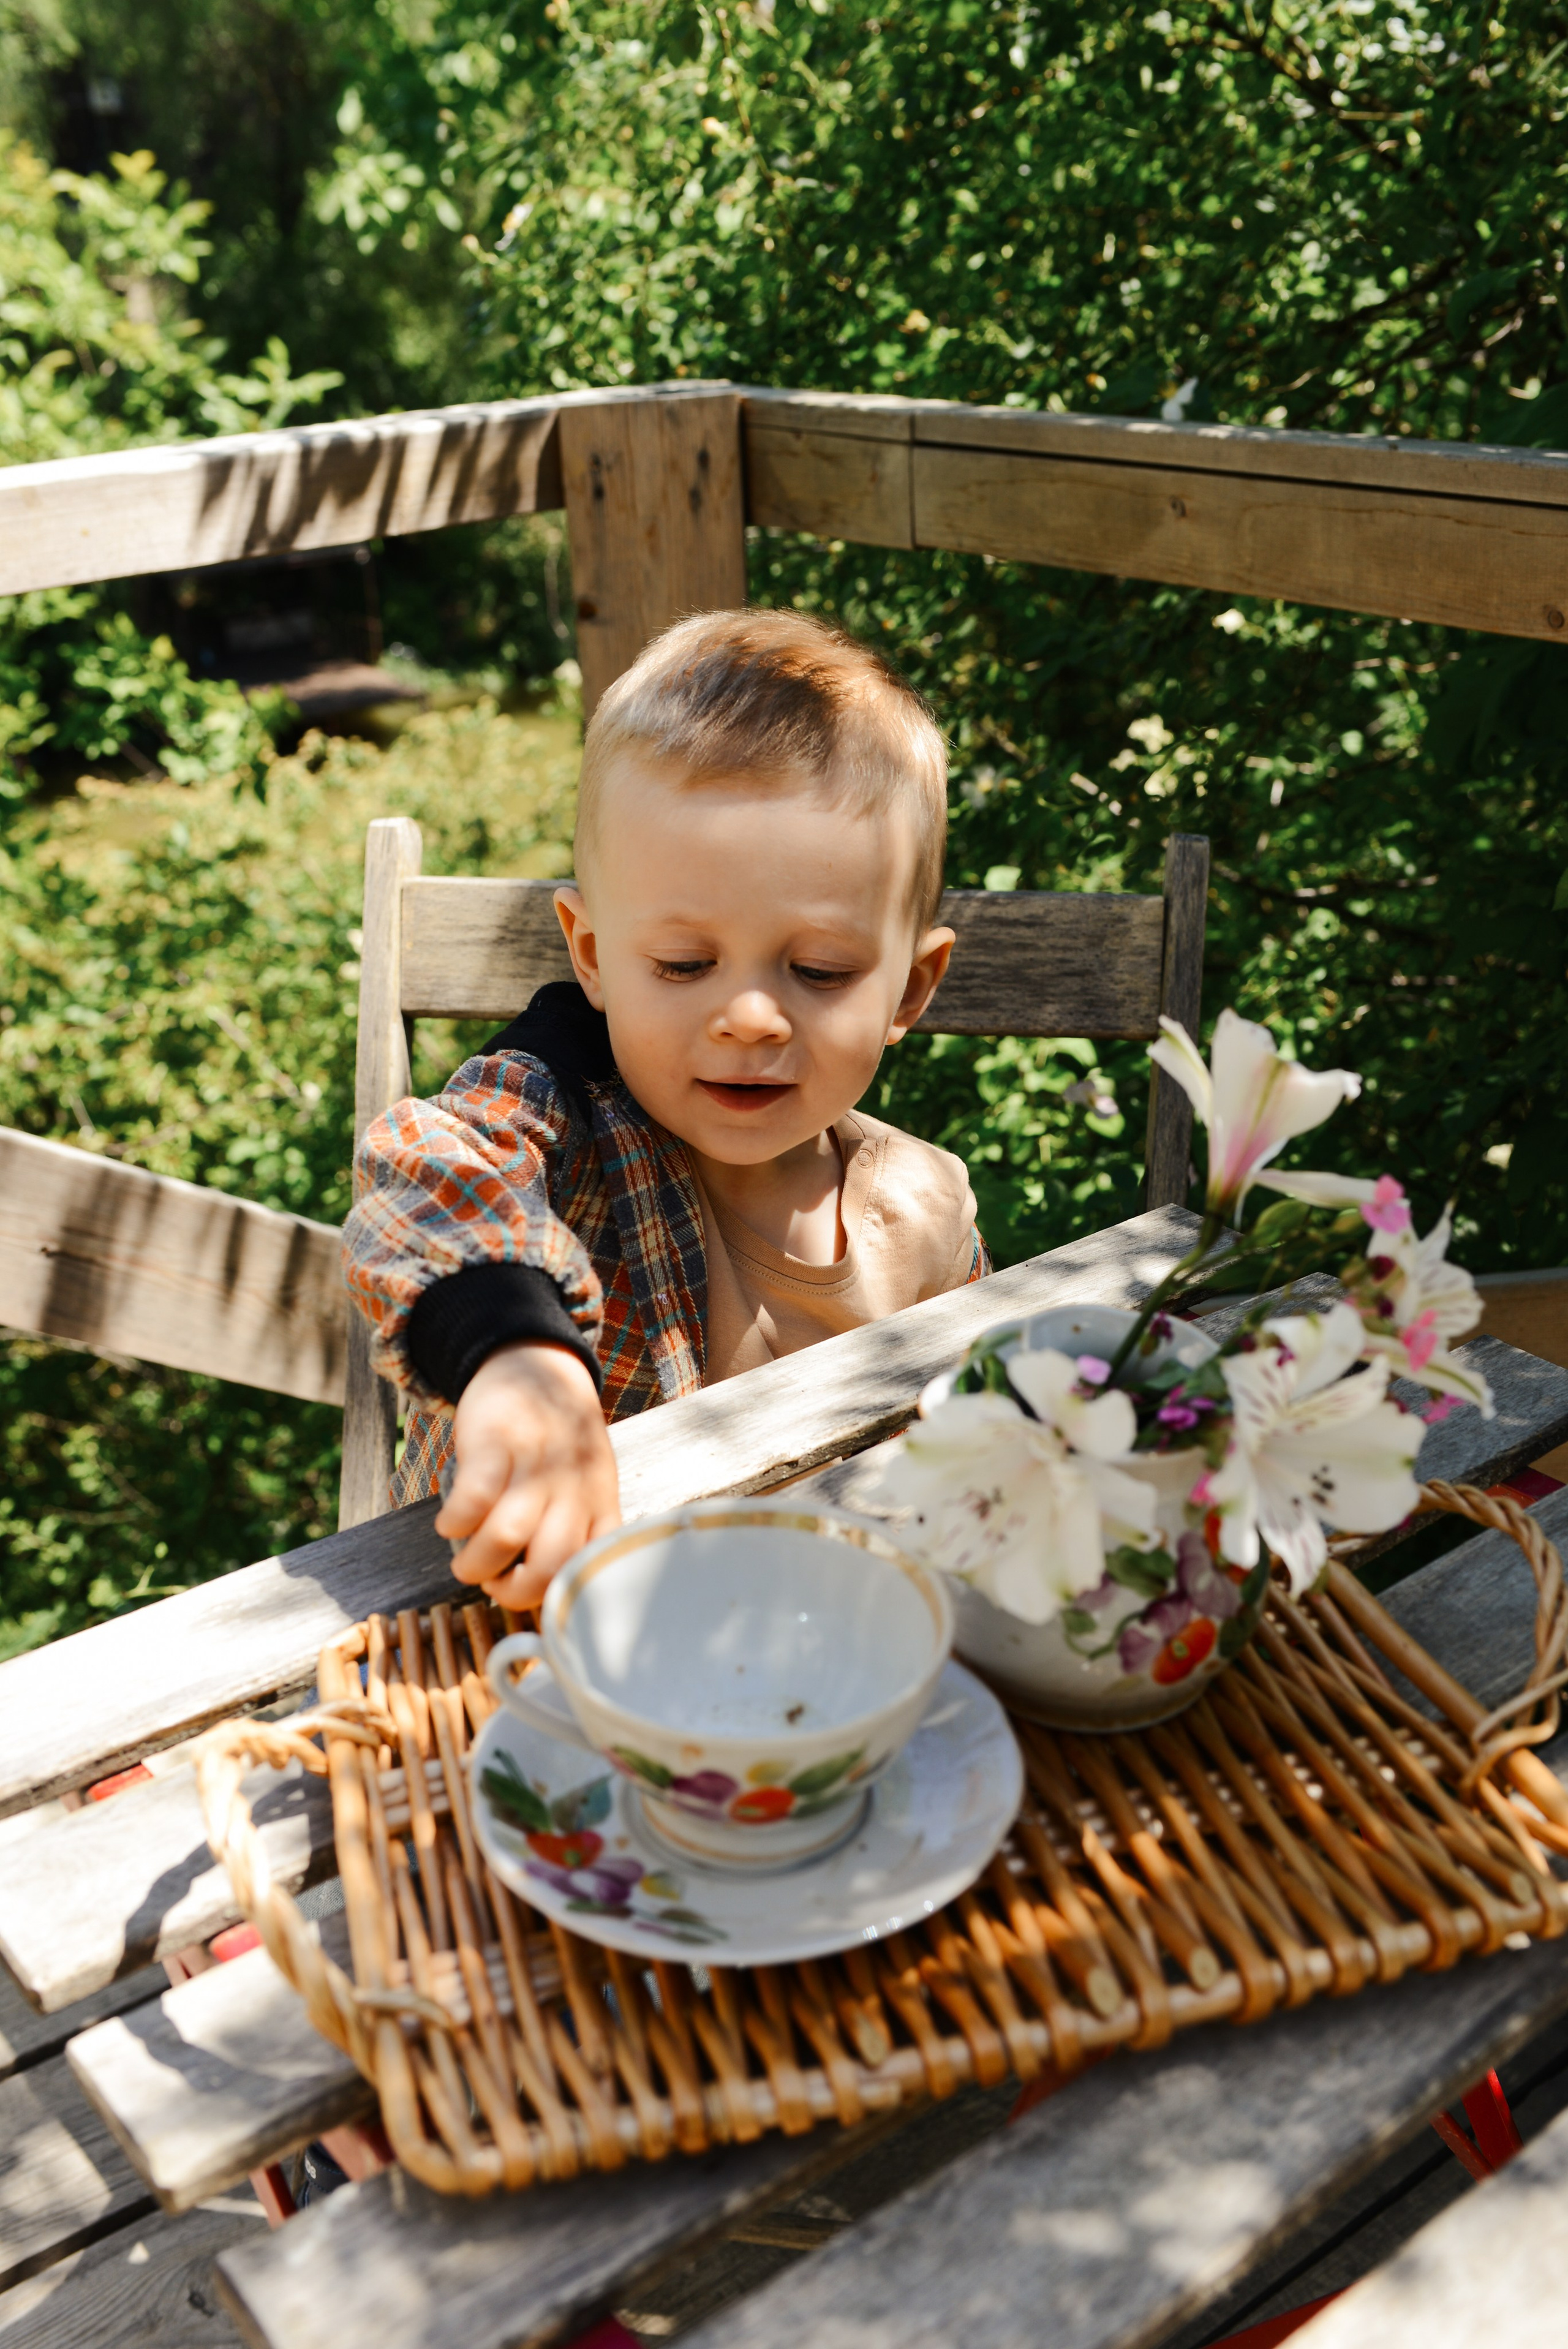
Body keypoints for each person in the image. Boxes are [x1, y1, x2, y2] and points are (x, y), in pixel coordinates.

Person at [343, 606, 989, 1612]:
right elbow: (427, 1168)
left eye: (819, 969)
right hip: (518, 1655)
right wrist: (516, 1351)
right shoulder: (562, 1133)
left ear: (911, 987)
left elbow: (970, 1466)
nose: (747, 1016)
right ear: (593, 956)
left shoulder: (929, 1216)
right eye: (684, 965)